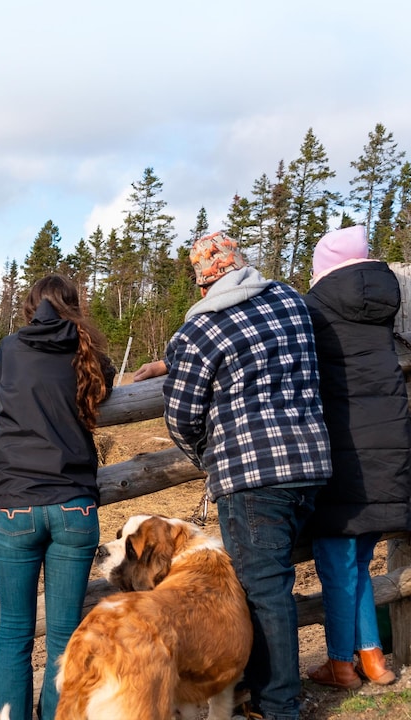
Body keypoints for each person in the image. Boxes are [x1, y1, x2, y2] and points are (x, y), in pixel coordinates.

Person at [135, 232, 332, 720]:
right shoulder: (289, 298)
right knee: (280, 578)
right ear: (242, 265)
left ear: (203, 284)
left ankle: (278, 705)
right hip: (312, 461)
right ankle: (261, 690)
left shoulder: (201, 330)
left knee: (263, 590)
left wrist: (208, 454)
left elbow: (180, 412)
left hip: (253, 474)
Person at [0, 273, 115, 720]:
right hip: (74, 505)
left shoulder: (10, 348)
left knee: (14, 632)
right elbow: (106, 385)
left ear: (30, 306)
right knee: (64, 635)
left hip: (17, 502)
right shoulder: (88, 352)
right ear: (73, 306)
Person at [302, 225, 411, 690]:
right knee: (358, 562)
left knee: (335, 562)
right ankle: (374, 660)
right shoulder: (388, 301)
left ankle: (340, 665)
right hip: (388, 450)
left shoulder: (314, 307)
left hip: (341, 451)